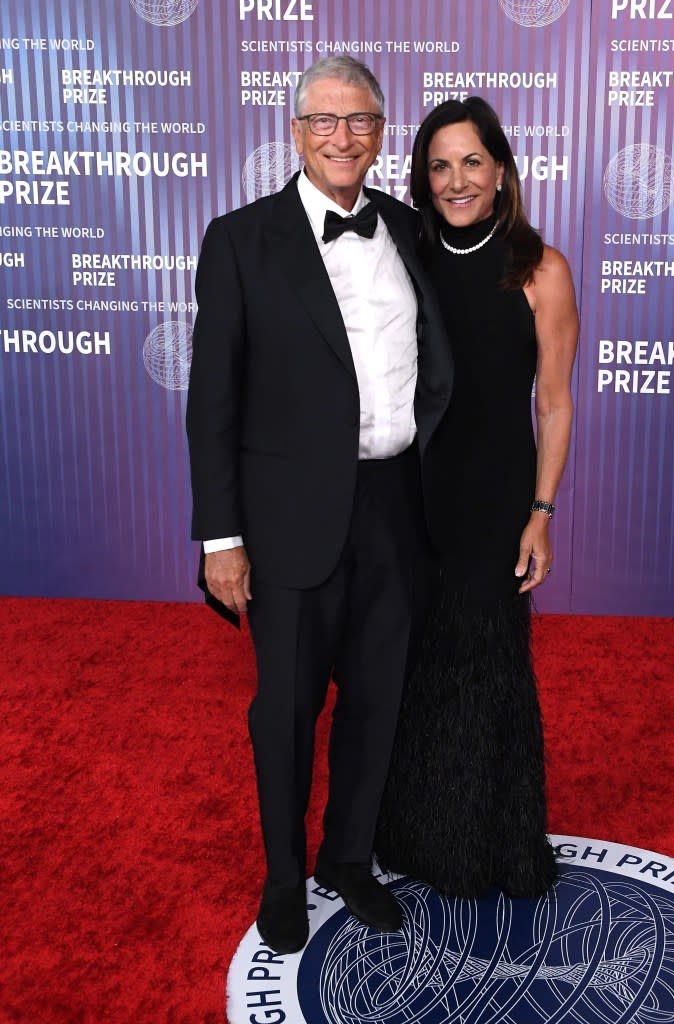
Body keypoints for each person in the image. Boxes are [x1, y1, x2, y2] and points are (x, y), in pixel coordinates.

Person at [185, 56, 452, 953]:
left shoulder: (412, 232)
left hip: (395, 508)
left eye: (362, 121)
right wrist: (222, 538)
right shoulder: (238, 239)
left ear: (382, 133)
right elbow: (211, 402)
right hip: (288, 518)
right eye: (325, 121)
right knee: (287, 710)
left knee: (378, 702)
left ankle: (348, 861)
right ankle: (284, 877)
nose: (344, 137)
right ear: (295, 132)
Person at [375, 97, 579, 899]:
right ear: (422, 179)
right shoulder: (405, 256)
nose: (456, 180)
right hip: (410, 494)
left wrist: (542, 513)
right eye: (438, 165)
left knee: (485, 671)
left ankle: (492, 844)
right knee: (411, 666)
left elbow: (555, 402)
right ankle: (415, 833)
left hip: (496, 501)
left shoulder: (540, 269)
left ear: (500, 171)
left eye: (471, 162)